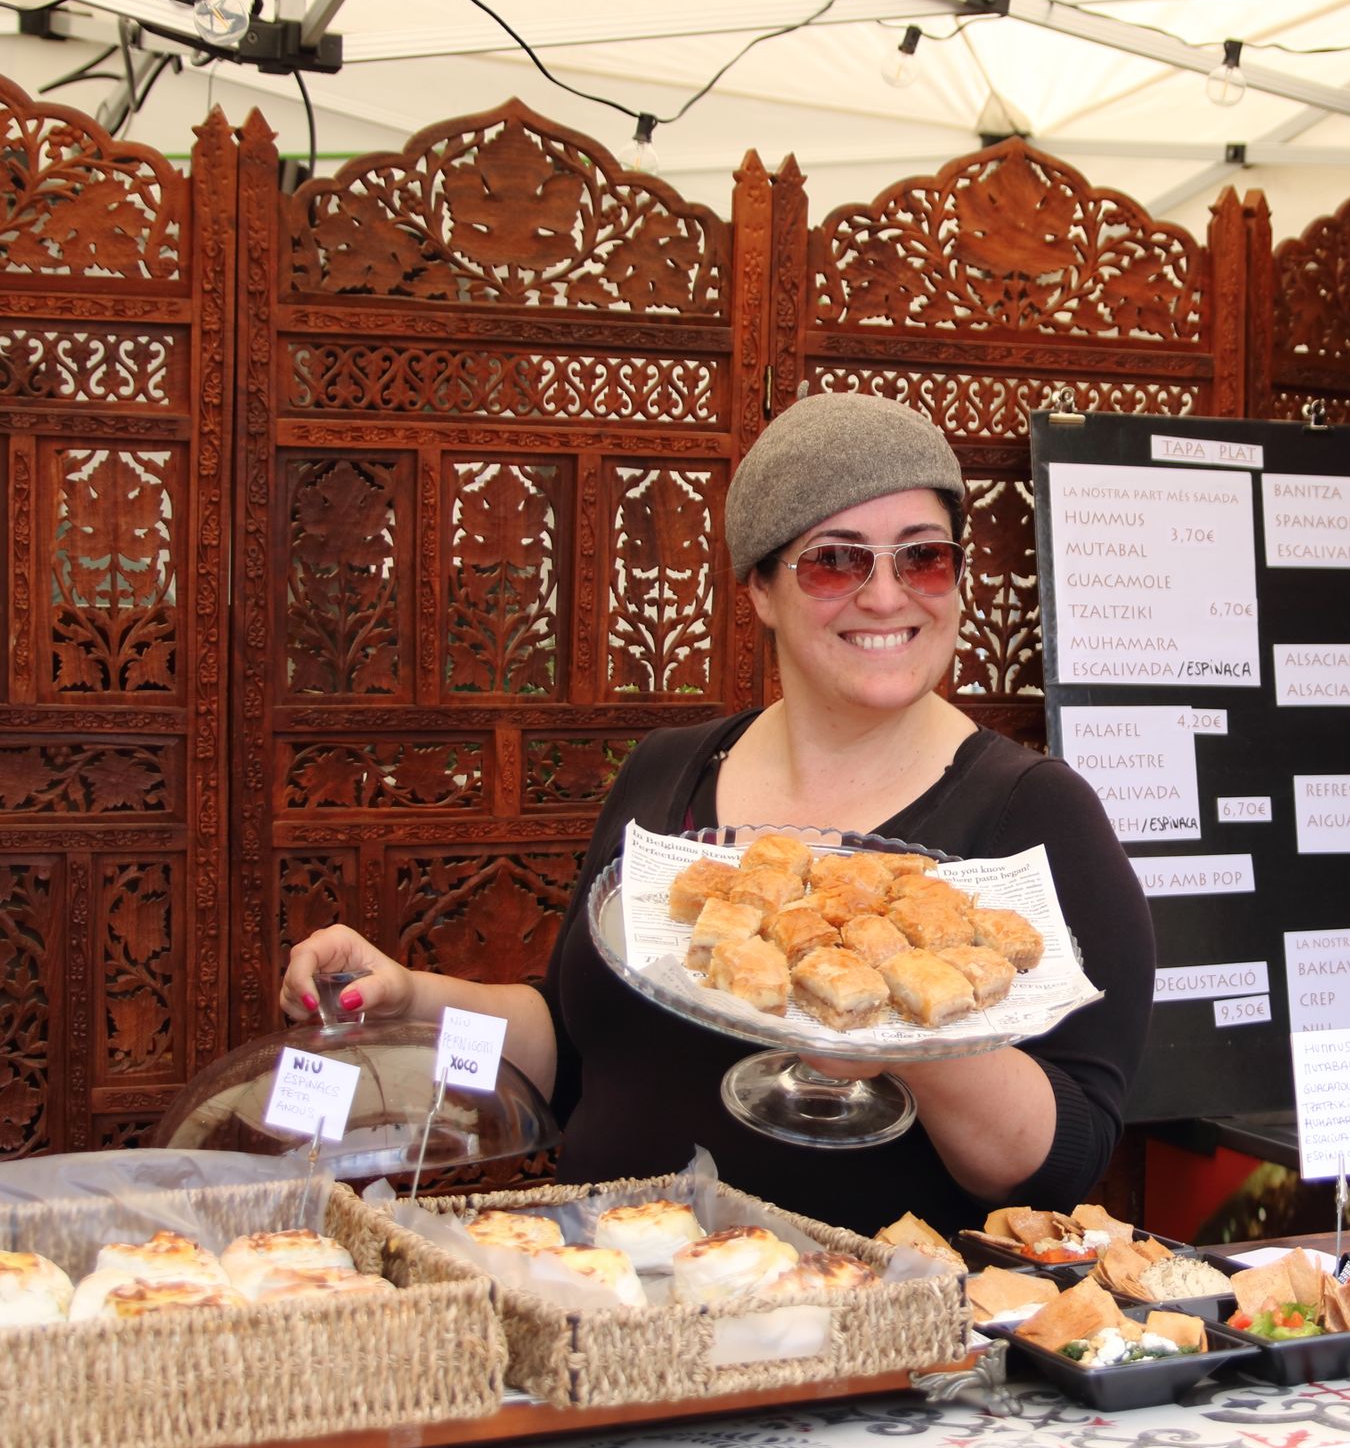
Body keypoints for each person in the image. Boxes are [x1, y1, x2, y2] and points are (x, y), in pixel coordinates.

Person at [279, 393, 1155, 1232]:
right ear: (761, 591)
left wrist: (893, 1036)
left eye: (922, 556)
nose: (886, 596)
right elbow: (580, 1048)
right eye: (836, 559)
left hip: (861, 1339)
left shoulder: (1034, 816)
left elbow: (1059, 1158)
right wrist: (412, 999)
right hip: (622, 1306)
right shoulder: (670, 771)